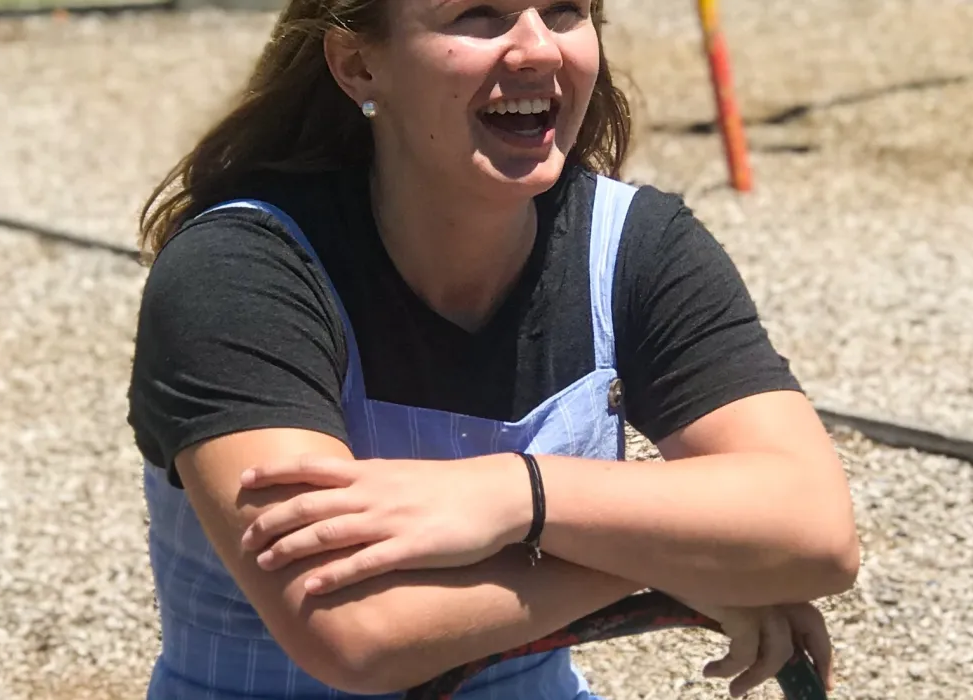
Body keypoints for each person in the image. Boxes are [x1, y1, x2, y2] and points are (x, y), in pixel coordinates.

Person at [125, 1, 861, 698]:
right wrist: (675, 562)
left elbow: (817, 532)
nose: (538, 47)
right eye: (478, 14)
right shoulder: (239, 273)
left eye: (567, 11)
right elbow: (352, 629)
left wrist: (515, 495)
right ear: (357, 64)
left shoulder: (635, 248)